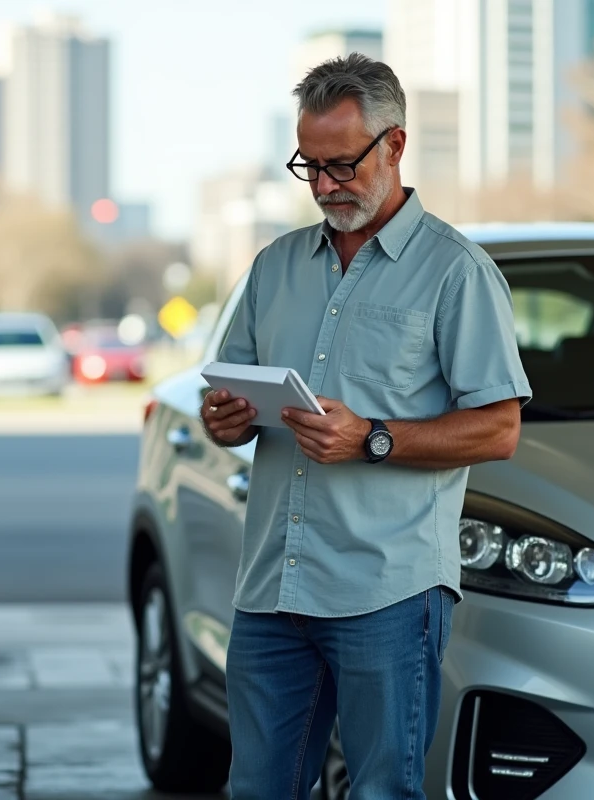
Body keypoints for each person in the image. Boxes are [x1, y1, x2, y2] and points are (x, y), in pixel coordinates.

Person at [201, 53, 531, 800]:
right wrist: (225, 420)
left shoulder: (456, 271)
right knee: (257, 790)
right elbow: (232, 400)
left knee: (382, 790)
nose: (324, 186)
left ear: (395, 145)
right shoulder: (275, 266)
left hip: (387, 596)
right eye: (309, 167)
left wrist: (372, 437)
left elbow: (498, 429)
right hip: (272, 589)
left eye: (341, 165)